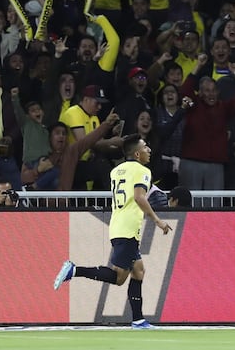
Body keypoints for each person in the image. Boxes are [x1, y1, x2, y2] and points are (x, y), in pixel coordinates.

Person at [53, 134, 173, 329]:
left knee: (139, 270)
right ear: (137, 153)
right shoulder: (142, 170)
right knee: (118, 278)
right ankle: (74, 270)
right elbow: (139, 197)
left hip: (118, 224)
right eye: (145, 147)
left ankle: (138, 319)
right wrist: (158, 220)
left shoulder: (116, 171)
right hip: (128, 228)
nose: (149, 150)